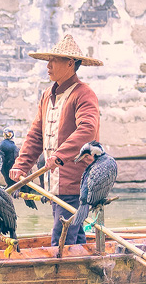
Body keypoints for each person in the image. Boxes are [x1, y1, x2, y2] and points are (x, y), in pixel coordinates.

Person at [16, 35, 103, 250]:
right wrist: (21, 165)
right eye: (48, 60)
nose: (48, 66)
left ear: (70, 64)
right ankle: (84, 269)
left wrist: (60, 155)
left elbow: (88, 129)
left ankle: (63, 277)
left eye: (54, 60)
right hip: (53, 182)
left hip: (76, 182)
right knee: (74, 233)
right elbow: (37, 134)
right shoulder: (47, 95)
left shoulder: (84, 94)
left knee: (61, 236)